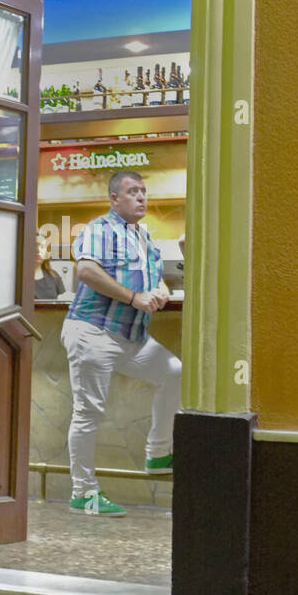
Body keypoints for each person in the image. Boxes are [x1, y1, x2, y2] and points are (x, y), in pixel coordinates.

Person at [60, 171, 182, 516]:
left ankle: (158, 452)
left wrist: (160, 289)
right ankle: (83, 492)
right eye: (132, 192)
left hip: (131, 337)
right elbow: (86, 271)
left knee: (173, 372)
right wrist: (133, 297)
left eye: (143, 191)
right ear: (114, 198)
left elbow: (155, 278)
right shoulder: (101, 229)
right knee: (88, 413)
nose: (141, 197)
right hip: (93, 331)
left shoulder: (144, 236)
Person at [34, 233, 65, 300]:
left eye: (42, 246)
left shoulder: (54, 276)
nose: (38, 250)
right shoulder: (20, 278)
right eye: (34, 245)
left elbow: (63, 300)